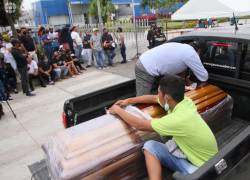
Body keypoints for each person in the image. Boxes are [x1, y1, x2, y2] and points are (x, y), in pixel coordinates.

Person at [109, 74, 218, 179]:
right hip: (209, 161)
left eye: (159, 92)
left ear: (166, 98)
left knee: (150, 147)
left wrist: (118, 110)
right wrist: (129, 101)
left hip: (202, 171)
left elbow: (140, 125)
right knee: (151, 146)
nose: (157, 95)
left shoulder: (177, 119)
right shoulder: (184, 101)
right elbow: (153, 99)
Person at [135, 42, 208, 96]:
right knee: (143, 100)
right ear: (199, 51)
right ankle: (134, 114)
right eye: (201, 55)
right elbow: (204, 77)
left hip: (150, 65)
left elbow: (180, 74)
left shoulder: (183, 48)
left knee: (155, 96)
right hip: (145, 67)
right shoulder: (191, 54)